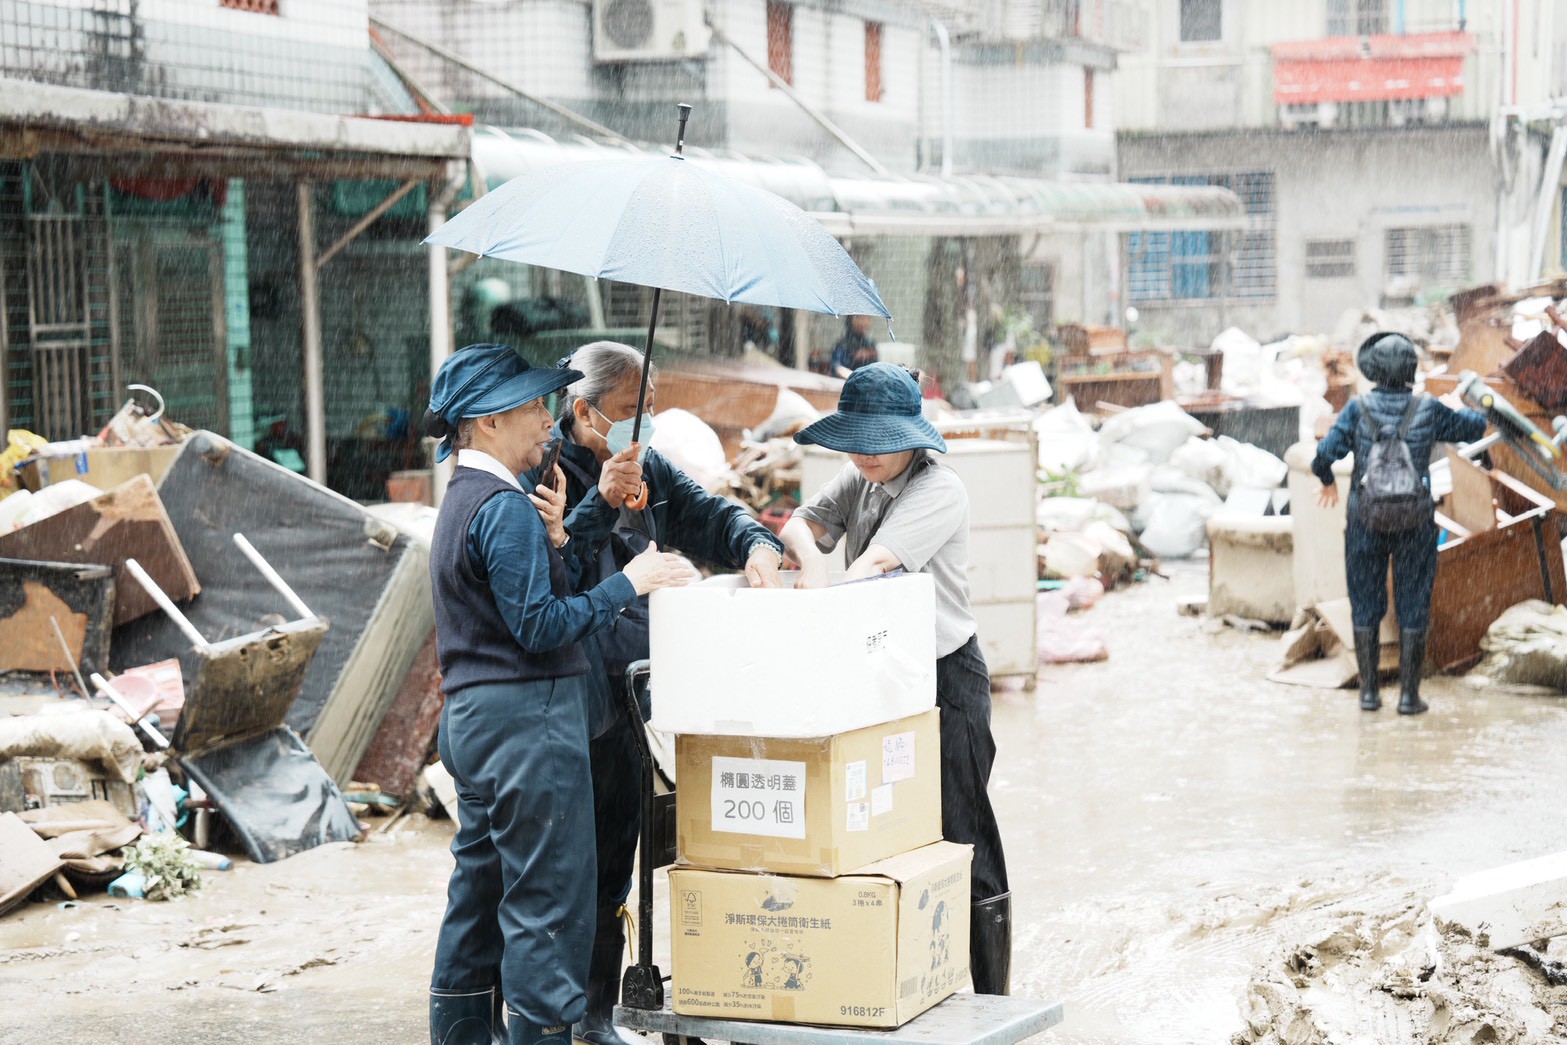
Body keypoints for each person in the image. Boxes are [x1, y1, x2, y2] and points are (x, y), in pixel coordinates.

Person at [423, 343, 696, 1045]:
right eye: (532, 407)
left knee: (479, 893)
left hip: (475, 720)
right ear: (486, 422)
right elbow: (541, 624)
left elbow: (533, 593)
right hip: (526, 726)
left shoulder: (463, 499)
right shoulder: (503, 508)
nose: (546, 421)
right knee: (549, 904)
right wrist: (628, 585)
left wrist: (570, 528)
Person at [521, 340, 786, 1045]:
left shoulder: (652, 472)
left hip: (645, 701)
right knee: (569, 864)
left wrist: (759, 546)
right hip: (573, 701)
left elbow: (713, 518)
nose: (641, 428)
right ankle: (555, 1013)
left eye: (647, 410)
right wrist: (599, 503)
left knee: (624, 858)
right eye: (628, 412)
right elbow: (552, 587)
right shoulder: (541, 477)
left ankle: (600, 1010)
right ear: (583, 411)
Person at [778, 362, 1012, 995]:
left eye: (879, 440)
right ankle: (915, 987)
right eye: (855, 439)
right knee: (889, 831)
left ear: (913, 435)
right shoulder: (860, 478)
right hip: (881, 677)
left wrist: (824, 588)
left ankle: (993, 1000)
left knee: (965, 834)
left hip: (945, 677)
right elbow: (799, 524)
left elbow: (877, 564)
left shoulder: (939, 489)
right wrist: (808, 561)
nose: (864, 453)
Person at [1312, 331, 1486, 715]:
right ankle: (1409, 697)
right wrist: (1471, 401)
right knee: (1413, 601)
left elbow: (1322, 456)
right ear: (1411, 370)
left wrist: (1328, 482)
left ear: (1372, 370)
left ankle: (1369, 694)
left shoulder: (1357, 409)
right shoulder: (1428, 409)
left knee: (1365, 602)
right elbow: (1474, 428)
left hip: (1365, 520)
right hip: (1415, 521)